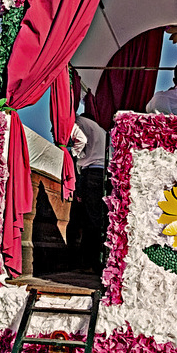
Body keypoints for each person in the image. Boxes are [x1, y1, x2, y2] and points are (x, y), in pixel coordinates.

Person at [67, 111, 108, 273]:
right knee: (99, 218)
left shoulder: (76, 121)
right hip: (103, 173)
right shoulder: (100, 129)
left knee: (89, 220)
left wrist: (73, 154)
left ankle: (89, 263)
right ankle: (96, 260)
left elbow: (81, 140)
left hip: (90, 172)